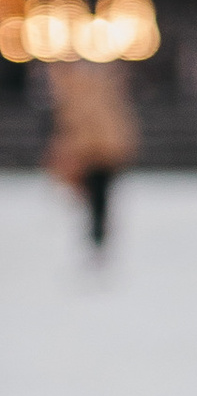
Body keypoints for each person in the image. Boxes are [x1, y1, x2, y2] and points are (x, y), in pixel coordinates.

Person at [44, 50, 138, 261]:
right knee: (96, 201)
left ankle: (97, 240)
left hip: (98, 153)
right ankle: (97, 239)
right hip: (93, 153)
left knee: (97, 201)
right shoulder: (94, 89)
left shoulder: (87, 90)